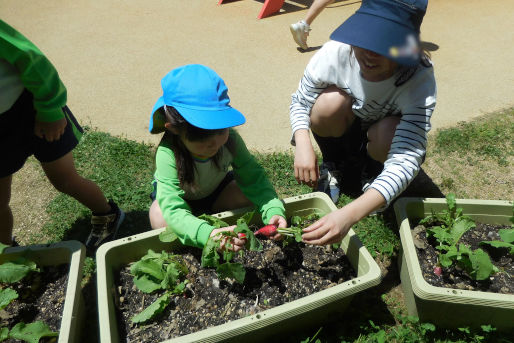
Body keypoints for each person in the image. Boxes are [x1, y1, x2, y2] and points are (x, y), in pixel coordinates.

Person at [289, 0, 437, 245]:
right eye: (365, 38)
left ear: (404, 46)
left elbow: (408, 156)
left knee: (390, 132)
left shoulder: (418, 77)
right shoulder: (336, 52)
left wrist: (351, 214)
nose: (369, 53)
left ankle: (373, 170)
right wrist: (302, 140)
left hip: (382, 134)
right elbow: (301, 102)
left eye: (383, 44)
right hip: (345, 123)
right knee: (327, 105)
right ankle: (334, 162)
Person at [0, 20, 125, 249]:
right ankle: (6, 251)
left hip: (31, 108)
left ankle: (107, 213)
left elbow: (32, 60)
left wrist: (49, 109)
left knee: (64, 180)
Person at [148, 64, 286, 251]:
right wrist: (208, 234)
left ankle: (202, 219)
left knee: (247, 193)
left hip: (215, 193)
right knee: (159, 216)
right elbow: (172, 208)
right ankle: (196, 228)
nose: (213, 142)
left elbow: (253, 179)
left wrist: (273, 210)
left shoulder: (232, 141)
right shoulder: (168, 153)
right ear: (173, 128)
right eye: (200, 135)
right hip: (182, 201)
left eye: (220, 129)